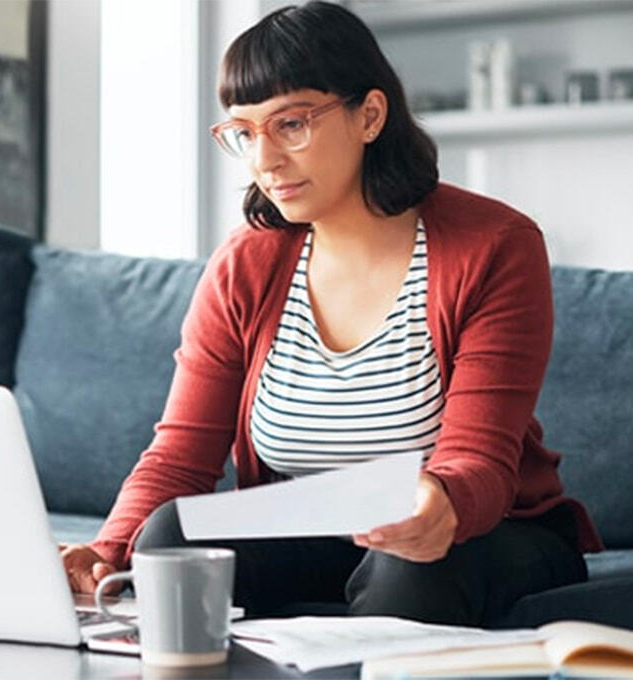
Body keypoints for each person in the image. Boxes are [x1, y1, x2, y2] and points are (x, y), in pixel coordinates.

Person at [59, 0, 603, 626]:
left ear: (369, 115)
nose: (264, 159)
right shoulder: (246, 264)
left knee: (410, 562)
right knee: (167, 540)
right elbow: (181, 453)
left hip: (480, 533)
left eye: (291, 124)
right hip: (308, 527)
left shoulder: (495, 245)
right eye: (244, 131)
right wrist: (106, 550)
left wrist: (439, 501)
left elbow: (480, 458)